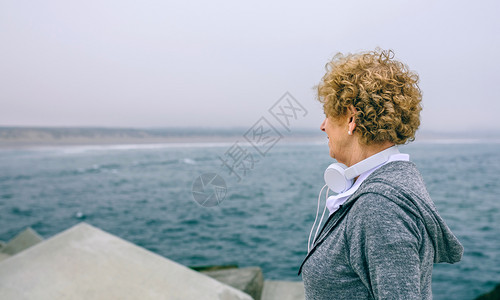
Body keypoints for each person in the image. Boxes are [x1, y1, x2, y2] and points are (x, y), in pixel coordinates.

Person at [298, 49, 463, 299]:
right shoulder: (392, 183)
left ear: (351, 117)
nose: (323, 125)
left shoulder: (379, 206)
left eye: (329, 114)